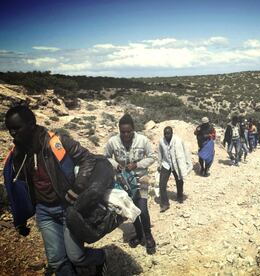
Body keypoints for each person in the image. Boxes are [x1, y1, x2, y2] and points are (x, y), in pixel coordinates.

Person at [3, 105, 107, 275]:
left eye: (17, 128)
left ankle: (100, 257)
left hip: (68, 207)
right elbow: (17, 189)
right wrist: (19, 218)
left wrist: (77, 187)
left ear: (31, 124)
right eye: (10, 129)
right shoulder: (17, 153)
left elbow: (88, 159)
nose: (13, 133)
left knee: (76, 257)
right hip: (44, 211)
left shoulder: (57, 142)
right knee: (57, 261)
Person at [104, 114, 156, 254]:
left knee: (143, 209)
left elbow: (152, 157)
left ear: (133, 129)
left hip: (141, 178)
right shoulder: (113, 142)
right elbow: (106, 157)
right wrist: (116, 165)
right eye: (123, 132)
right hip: (123, 181)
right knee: (130, 209)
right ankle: (139, 235)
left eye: (129, 131)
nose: (126, 134)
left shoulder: (143, 140)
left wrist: (137, 164)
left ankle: (149, 236)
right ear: (119, 130)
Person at [157, 126, 192, 212]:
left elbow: (185, 151)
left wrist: (188, 163)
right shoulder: (161, 141)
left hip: (177, 164)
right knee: (162, 184)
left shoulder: (178, 140)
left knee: (179, 181)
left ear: (172, 133)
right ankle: (165, 204)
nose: (166, 135)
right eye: (165, 133)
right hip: (166, 164)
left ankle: (180, 196)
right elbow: (160, 153)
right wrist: (159, 164)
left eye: (168, 133)